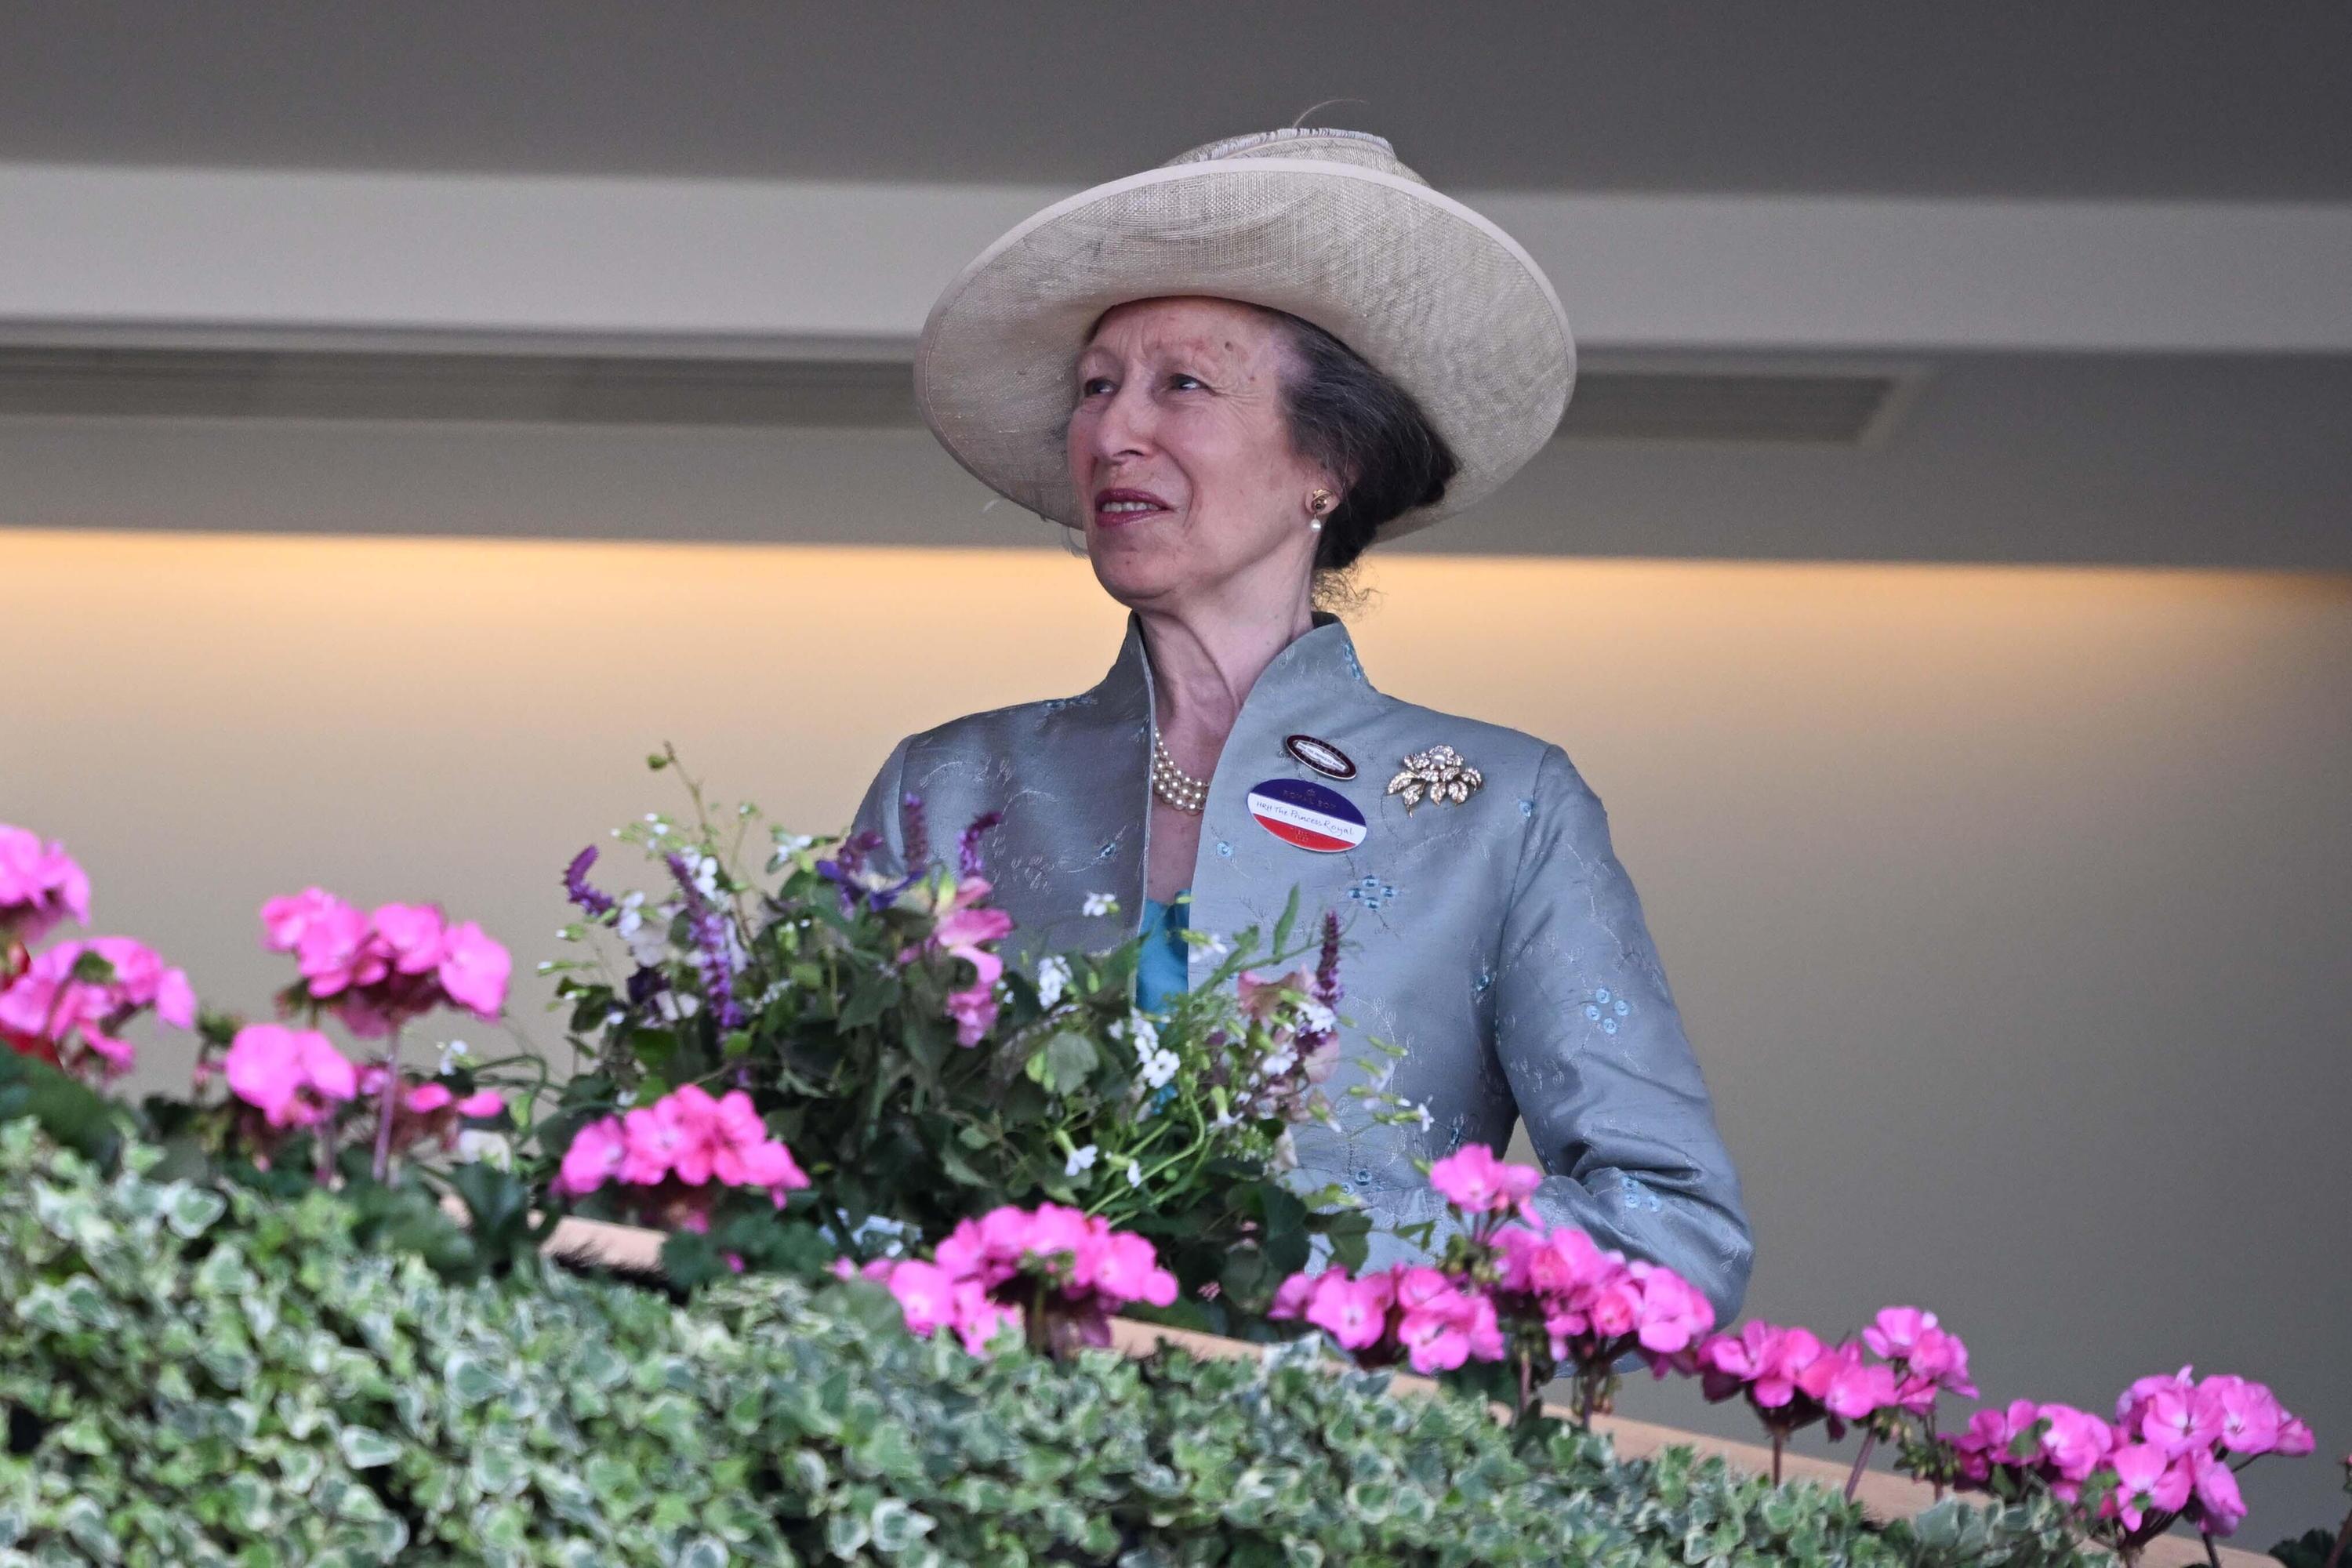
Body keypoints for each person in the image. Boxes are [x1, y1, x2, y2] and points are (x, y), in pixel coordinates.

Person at [852, 128, 1751, 1318]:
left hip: (1341, 1431)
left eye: (1182, 384)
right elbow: (821, 1158)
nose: (1113, 432)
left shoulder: (1502, 807)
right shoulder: (951, 786)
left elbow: (1675, 1235)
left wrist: (1312, 1244)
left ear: (1328, 461)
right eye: (1096, 388)